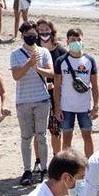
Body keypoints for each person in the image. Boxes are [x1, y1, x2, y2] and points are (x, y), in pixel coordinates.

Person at [10, 21, 54, 185]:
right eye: (28, 34)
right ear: (22, 36)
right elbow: (16, 76)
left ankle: (44, 169)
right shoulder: (15, 54)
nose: (31, 37)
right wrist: (28, 64)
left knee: (41, 136)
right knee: (26, 137)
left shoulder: (44, 52)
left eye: (33, 34)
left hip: (42, 99)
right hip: (23, 101)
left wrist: (37, 68)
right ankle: (27, 170)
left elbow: (51, 73)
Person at [54, 28, 99, 157]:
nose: (76, 42)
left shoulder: (89, 60)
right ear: (67, 41)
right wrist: (57, 108)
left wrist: (96, 106)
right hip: (66, 106)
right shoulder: (61, 61)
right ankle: (67, 165)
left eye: (79, 39)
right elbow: (57, 86)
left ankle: (90, 164)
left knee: (87, 136)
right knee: (67, 138)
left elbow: (95, 86)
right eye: (73, 40)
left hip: (85, 107)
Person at [37, 19, 66, 159]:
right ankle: (39, 161)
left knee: (55, 129)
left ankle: (57, 158)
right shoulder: (34, 49)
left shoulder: (60, 51)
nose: (44, 33)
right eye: (40, 30)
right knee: (38, 131)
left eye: (46, 30)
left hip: (56, 96)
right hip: (37, 95)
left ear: (52, 31)